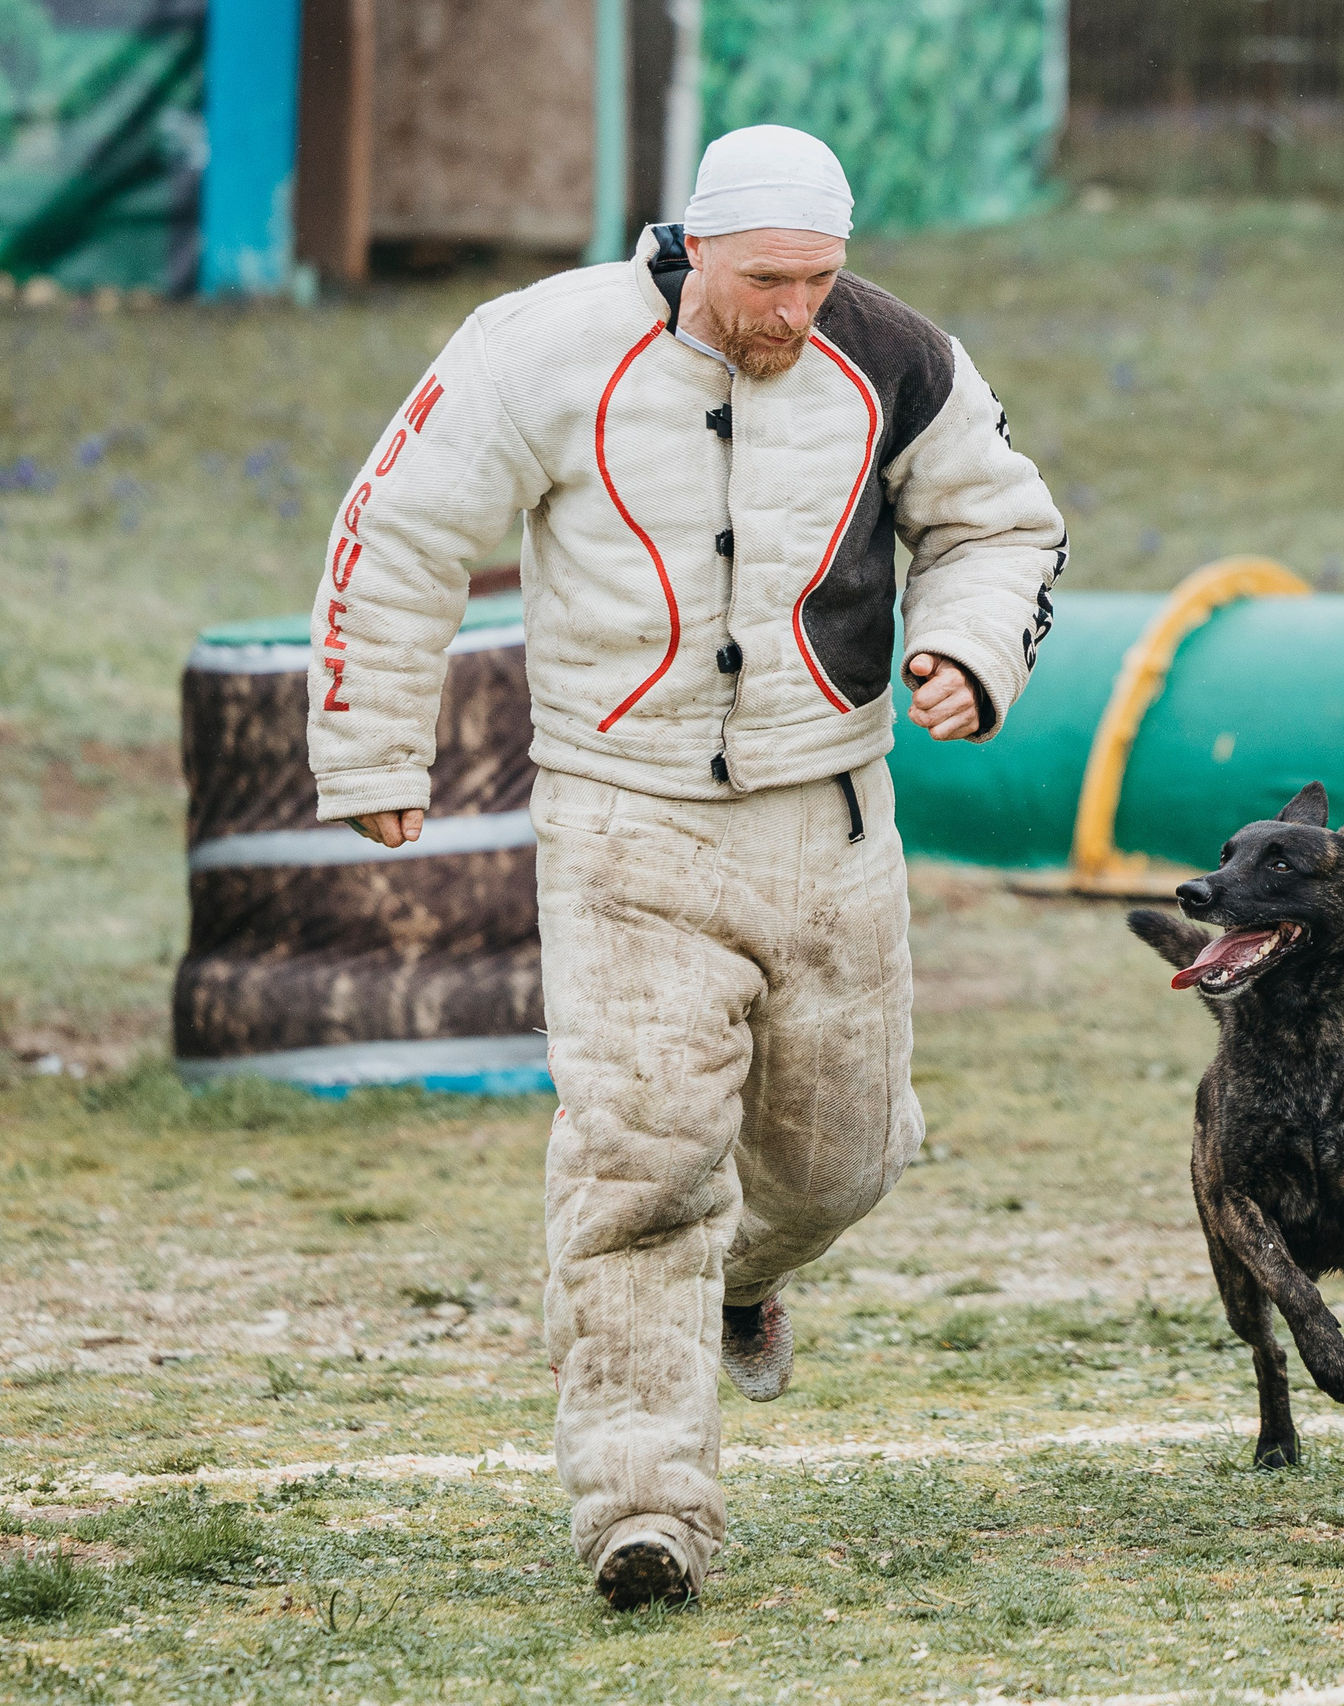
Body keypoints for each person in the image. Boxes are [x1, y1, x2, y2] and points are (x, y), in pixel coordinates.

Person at [303, 125, 1066, 1611]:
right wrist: (373, 754)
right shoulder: (538, 348)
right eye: (768, 280)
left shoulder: (898, 357)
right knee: (641, 1168)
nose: (795, 311)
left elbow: (1002, 523)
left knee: (848, 1160)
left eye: (820, 280)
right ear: (693, 246)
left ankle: (738, 1279)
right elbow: (393, 531)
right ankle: (643, 1507)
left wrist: (972, 647)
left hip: (834, 820)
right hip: (624, 822)